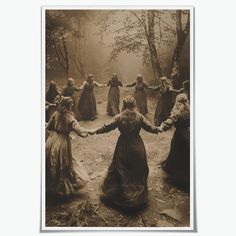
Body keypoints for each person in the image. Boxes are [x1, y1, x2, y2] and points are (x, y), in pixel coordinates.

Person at [89, 95, 159, 209]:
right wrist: (158, 129)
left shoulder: (119, 117)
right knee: (137, 170)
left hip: (123, 146)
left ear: (124, 104)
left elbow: (107, 127)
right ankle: (138, 197)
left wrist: (95, 131)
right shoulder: (139, 116)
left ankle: (122, 196)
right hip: (137, 145)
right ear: (134, 104)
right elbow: (149, 127)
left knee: (121, 170)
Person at [46, 96, 89, 197]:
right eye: (71, 104)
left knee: (52, 162)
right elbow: (76, 127)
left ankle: (51, 185)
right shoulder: (68, 116)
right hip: (63, 142)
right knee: (63, 163)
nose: (73, 105)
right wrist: (85, 133)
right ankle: (61, 189)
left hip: (52, 140)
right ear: (68, 105)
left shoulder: (56, 114)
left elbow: (49, 126)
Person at [158, 93, 190, 191]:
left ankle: (178, 173)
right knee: (186, 152)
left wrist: (161, 127)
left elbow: (171, 120)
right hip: (188, 132)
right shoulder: (189, 110)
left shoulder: (178, 112)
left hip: (179, 135)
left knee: (177, 152)